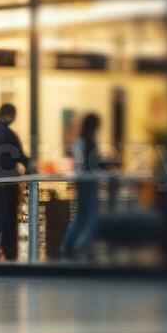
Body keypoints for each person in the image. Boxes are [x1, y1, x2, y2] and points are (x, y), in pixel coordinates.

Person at [0, 102, 31, 262]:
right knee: (5, 214)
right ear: (10, 115)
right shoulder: (8, 134)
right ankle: (1, 249)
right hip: (7, 180)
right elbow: (19, 156)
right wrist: (30, 169)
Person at [62, 112, 107, 261]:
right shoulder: (88, 142)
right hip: (88, 182)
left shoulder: (80, 142)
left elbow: (81, 163)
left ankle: (70, 245)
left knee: (82, 215)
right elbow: (92, 163)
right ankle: (80, 245)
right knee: (90, 215)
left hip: (83, 181)